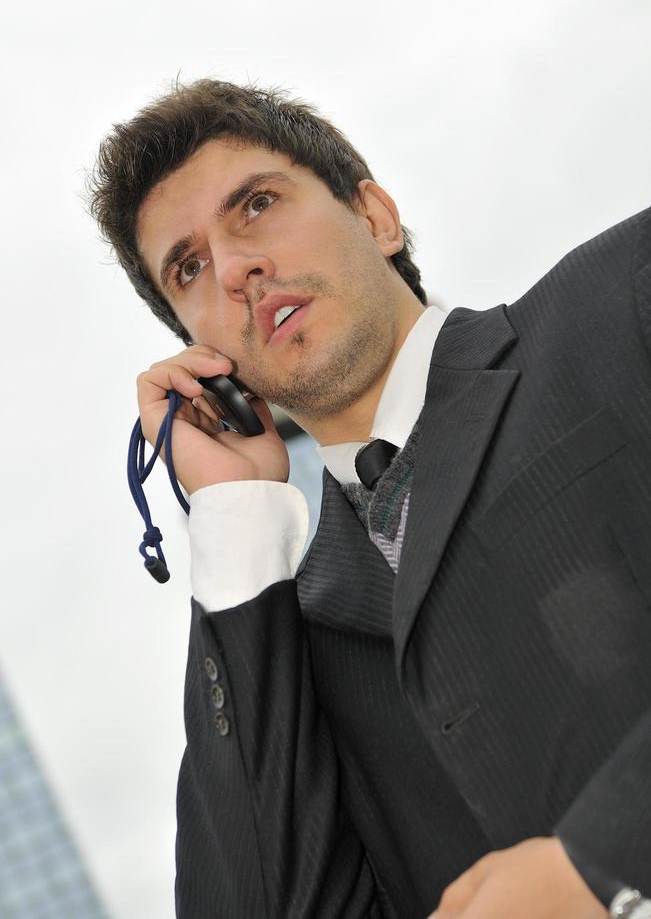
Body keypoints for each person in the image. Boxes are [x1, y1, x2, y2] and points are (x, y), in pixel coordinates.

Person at [89, 79, 651, 919]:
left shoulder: (620, 299)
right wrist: (235, 522)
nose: (238, 268)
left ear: (376, 217)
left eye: (257, 205)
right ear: (201, 351)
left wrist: (602, 863)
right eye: (190, 267)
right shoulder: (286, 637)